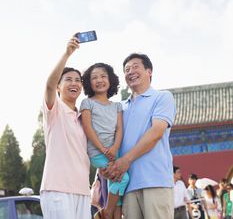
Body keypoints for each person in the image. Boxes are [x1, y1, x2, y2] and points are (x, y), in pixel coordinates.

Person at [102, 53, 176, 219]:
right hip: (127, 185)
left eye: (135, 67)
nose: (130, 72)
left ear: (149, 71)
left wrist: (126, 160)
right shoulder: (119, 107)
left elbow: (156, 132)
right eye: (126, 69)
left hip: (155, 181)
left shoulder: (162, 97)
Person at [40, 36, 91, 219]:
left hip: (83, 191)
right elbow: (48, 85)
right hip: (57, 189)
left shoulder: (83, 117)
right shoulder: (55, 110)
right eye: (68, 79)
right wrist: (67, 54)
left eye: (78, 80)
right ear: (59, 87)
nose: (74, 83)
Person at [80, 62, 129, 219]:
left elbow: (119, 129)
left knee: (116, 188)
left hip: (114, 151)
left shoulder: (117, 106)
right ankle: (106, 212)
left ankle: (113, 214)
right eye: (94, 77)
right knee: (123, 178)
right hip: (97, 152)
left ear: (110, 80)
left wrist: (114, 147)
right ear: (89, 82)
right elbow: (88, 128)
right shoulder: (87, 103)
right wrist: (103, 149)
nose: (99, 80)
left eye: (103, 76)